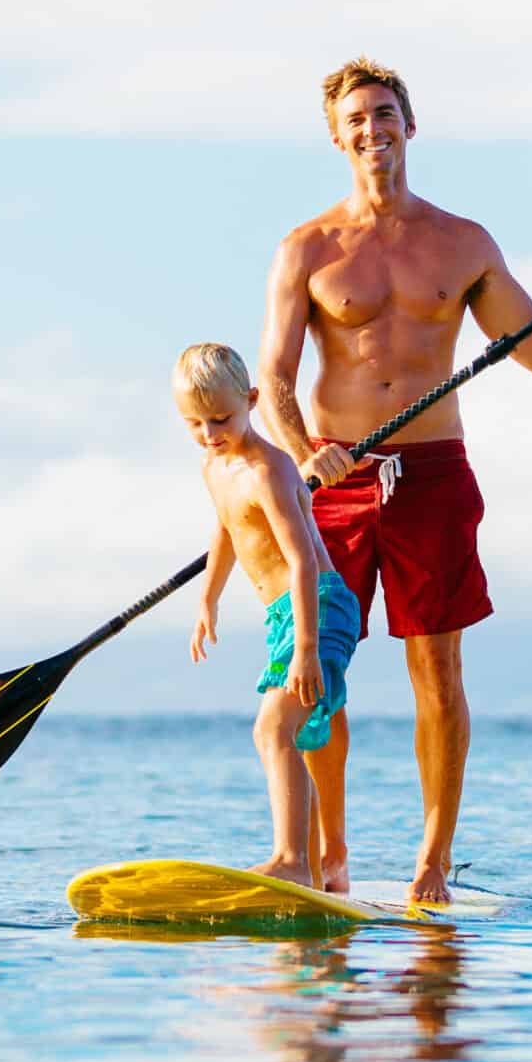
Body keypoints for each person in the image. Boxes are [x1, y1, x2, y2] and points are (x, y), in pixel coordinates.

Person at [258, 57, 532, 903]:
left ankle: (432, 862)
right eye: (357, 120)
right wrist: (303, 452)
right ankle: (329, 857)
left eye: (385, 113)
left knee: (438, 671)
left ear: (411, 124)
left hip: (434, 477)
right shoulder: (307, 249)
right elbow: (273, 381)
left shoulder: (465, 243)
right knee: (318, 672)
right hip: (334, 479)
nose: (373, 130)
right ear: (337, 138)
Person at [175, 342, 364, 887]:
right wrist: (208, 598)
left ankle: (290, 859)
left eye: (221, 419)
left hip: (320, 608)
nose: (210, 433)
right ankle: (306, 870)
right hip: (284, 616)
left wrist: (306, 649)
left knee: (272, 730)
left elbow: (304, 559)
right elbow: (226, 532)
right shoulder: (216, 467)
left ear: (251, 400)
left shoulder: (269, 470)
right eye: (195, 423)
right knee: (294, 735)